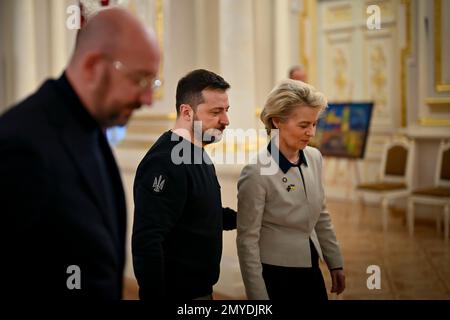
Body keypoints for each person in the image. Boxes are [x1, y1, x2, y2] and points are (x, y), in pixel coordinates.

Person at [0, 7, 161, 299]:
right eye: (140, 80)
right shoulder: (20, 145)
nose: (148, 99)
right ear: (93, 68)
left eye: (152, 83)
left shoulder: (87, 126)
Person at [132, 69, 237, 300]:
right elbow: (148, 240)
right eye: (216, 112)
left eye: (226, 111)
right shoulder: (165, 161)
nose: (226, 120)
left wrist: (246, 217)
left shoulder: (196, 154)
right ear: (187, 112)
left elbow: (198, 213)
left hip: (201, 292)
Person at [236, 79, 345, 301]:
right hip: (276, 275)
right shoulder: (256, 172)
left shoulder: (314, 157)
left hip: (311, 267)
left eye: (314, 124)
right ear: (277, 122)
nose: (311, 133)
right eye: (304, 125)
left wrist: (335, 263)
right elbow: (247, 241)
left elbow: (321, 215)